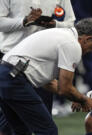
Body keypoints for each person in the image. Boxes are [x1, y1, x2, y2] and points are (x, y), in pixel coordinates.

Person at [0, 17, 92, 135]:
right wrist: (83, 99)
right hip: (15, 78)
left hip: (6, 74)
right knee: (48, 131)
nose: (91, 51)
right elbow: (65, 88)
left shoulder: (61, 35)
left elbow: (50, 83)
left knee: (18, 130)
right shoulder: (72, 44)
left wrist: (76, 97)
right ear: (87, 39)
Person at [0, 0, 76, 134]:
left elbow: (70, 23)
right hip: (9, 61)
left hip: (41, 62)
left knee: (42, 126)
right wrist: (24, 21)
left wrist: (55, 24)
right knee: (8, 125)